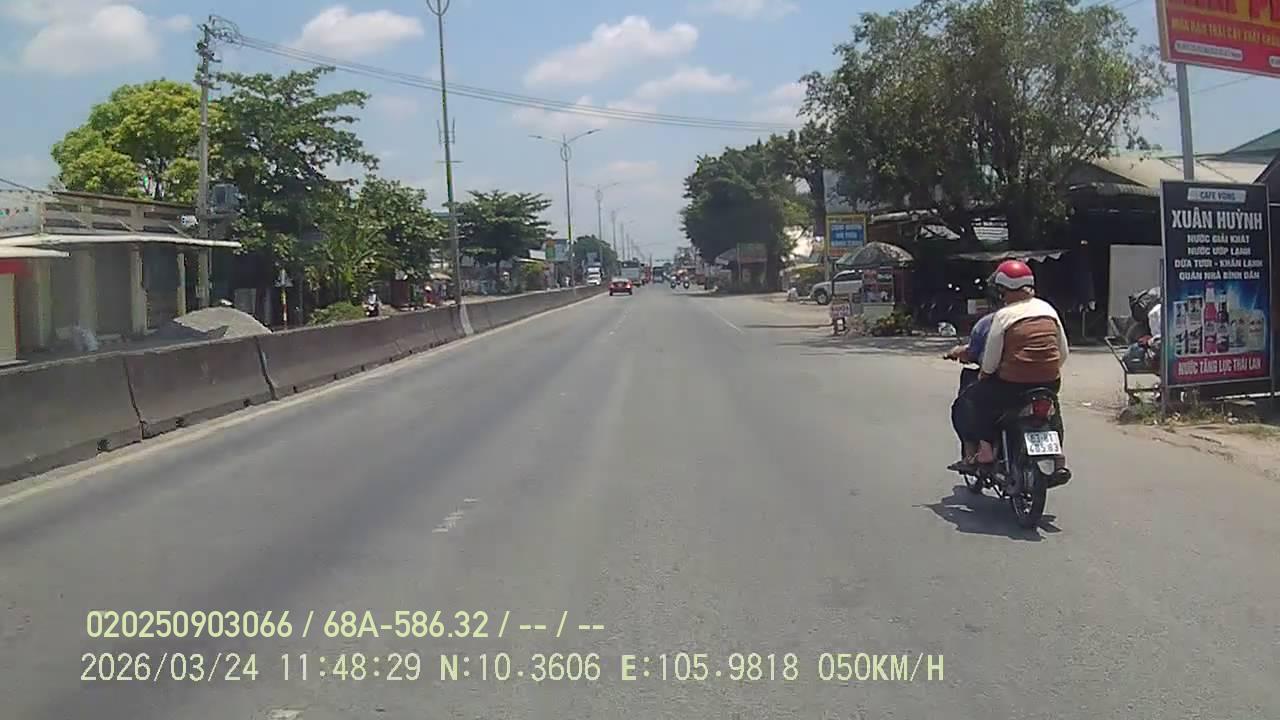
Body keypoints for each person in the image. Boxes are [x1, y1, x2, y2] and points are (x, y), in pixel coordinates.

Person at [964, 260, 1069, 466]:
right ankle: (1058, 455)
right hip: (1049, 382)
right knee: (1052, 407)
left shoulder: (1004, 315)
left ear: (1003, 290)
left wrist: (984, 375)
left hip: (1012, 385)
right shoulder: (1048, 309)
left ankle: (986, 449)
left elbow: (991, 361)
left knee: (977, 398)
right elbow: (1063, 353)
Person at [944, 311, 995, 472]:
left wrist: (957, 352)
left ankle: (970, 455)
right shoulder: (1045, 315)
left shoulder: (990, 322)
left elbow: (972, 353)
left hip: (1002, 380)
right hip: (1046, 381)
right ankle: (1058, 459)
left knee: (964, 406)